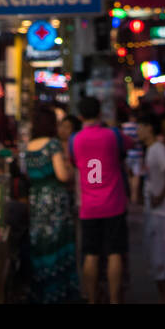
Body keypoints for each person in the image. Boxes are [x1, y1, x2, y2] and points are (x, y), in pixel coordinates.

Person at [68, 95, 128, 305]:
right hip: (114, 203)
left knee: (91, 254)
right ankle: (114, 299)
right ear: (100, 113)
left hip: (89, 206)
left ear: (80, 115)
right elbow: (124, 152)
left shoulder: (74, 140)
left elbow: (74, 163)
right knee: (114, 253)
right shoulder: (113, 135)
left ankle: (91, 299)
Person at [23, 105, 79, 303]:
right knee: (58, 242)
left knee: (41, 243)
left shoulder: (29, 147)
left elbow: (28, 175)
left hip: (36, 200)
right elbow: (62, 175)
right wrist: (71, 171)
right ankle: (59, 293)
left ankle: (42, 290)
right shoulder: (53, 145)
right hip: (54, 201)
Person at [137, 112, 165, 304]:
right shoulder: (151, 150)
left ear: (149, 128)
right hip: (155, 211)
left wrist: (159, 197)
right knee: (158, 261)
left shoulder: (158, 149)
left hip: (162, 212)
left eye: (140, 127)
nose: (137, 131)